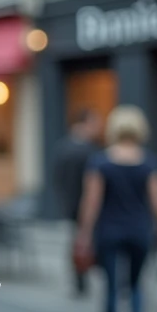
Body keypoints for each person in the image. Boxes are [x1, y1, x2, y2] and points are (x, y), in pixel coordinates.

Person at [75, 105, 157, 312]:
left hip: (109, 231)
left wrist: (83, 234)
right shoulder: (149, 162)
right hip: (140, 230)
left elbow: (91, 202)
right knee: (137, 283)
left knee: (112, 286)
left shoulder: (101, 161)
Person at [51, 109, 102, 296]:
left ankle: (79, 277)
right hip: (86, 204)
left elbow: (56, 177)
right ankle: (83, 274)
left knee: (76, 241)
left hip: (70, 204)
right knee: (85, 240)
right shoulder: (91, 151)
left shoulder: (63, 147)